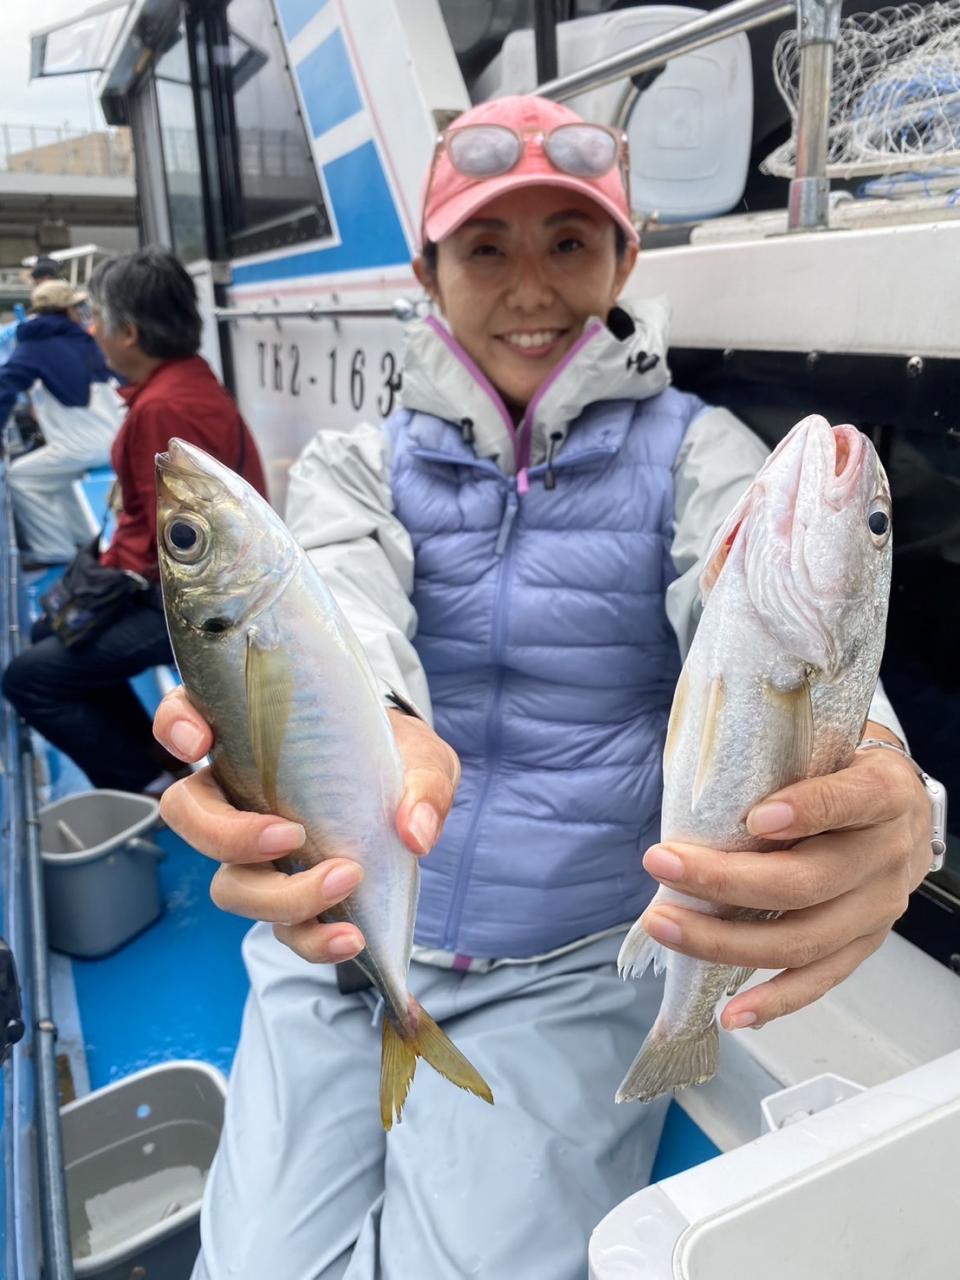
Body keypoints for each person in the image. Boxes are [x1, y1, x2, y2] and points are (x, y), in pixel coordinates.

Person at [153, 96, 934, 1280]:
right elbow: (344, 613)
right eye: (486, 247)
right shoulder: (353, 469)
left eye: (569, 241)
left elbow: (785, 614)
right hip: (334, 935)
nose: (530, 286)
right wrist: (377, 731)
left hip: (566, 966)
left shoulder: (708, 454)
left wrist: (878, 770)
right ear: (427, 273)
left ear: (625, 258)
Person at [3, 247, 267, 796]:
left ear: (128, 333)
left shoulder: (164, 407)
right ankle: (151, 756)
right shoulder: (182, 385)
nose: (91, 330)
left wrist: (97, 589)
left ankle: (146, 783)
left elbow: (164, 549)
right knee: (52, 633)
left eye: (97, 318)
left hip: (185, 605)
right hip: (165, 585)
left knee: (30, 679)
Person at [0, 279, 124, 564]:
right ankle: (86, 540)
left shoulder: (33, 345)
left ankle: (54, 548)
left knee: (20, 477)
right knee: (58, 477)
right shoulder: (90, 341)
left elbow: (5, 388)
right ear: (69, 311)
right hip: (117, 440)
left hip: (81, 446)